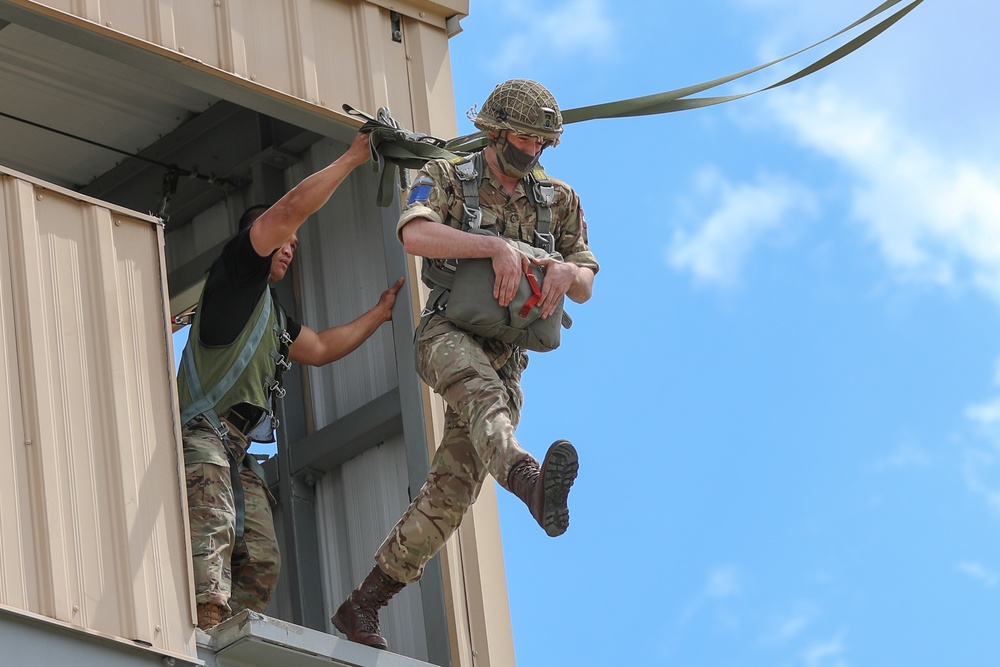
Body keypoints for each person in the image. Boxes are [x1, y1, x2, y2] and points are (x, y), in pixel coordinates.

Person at [331, 79, 600, 650]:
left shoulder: (559, 200)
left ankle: (363, 605)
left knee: (451, 494)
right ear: (496, 130)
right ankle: (529, 480)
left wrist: (562, 271)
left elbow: (587, 282)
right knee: (486, 402)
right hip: (448, 334)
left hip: (509, 356)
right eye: (524, 137)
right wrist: (496, 248)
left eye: (542, 142)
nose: (532, 150)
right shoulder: (451, 174)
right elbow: (415, 232)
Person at [176, 129, 404, 630]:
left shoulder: (273, 318)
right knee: (213, 526)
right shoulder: (235, 276)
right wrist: (351, 158)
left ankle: (228, 634)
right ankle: (203, 623)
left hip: (237, 450)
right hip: (204, 435)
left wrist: (381, 315)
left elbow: (320, 348)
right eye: (283, 238)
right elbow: (287, 213)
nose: (290, 246)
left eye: (295, 244)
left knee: (260, 555)